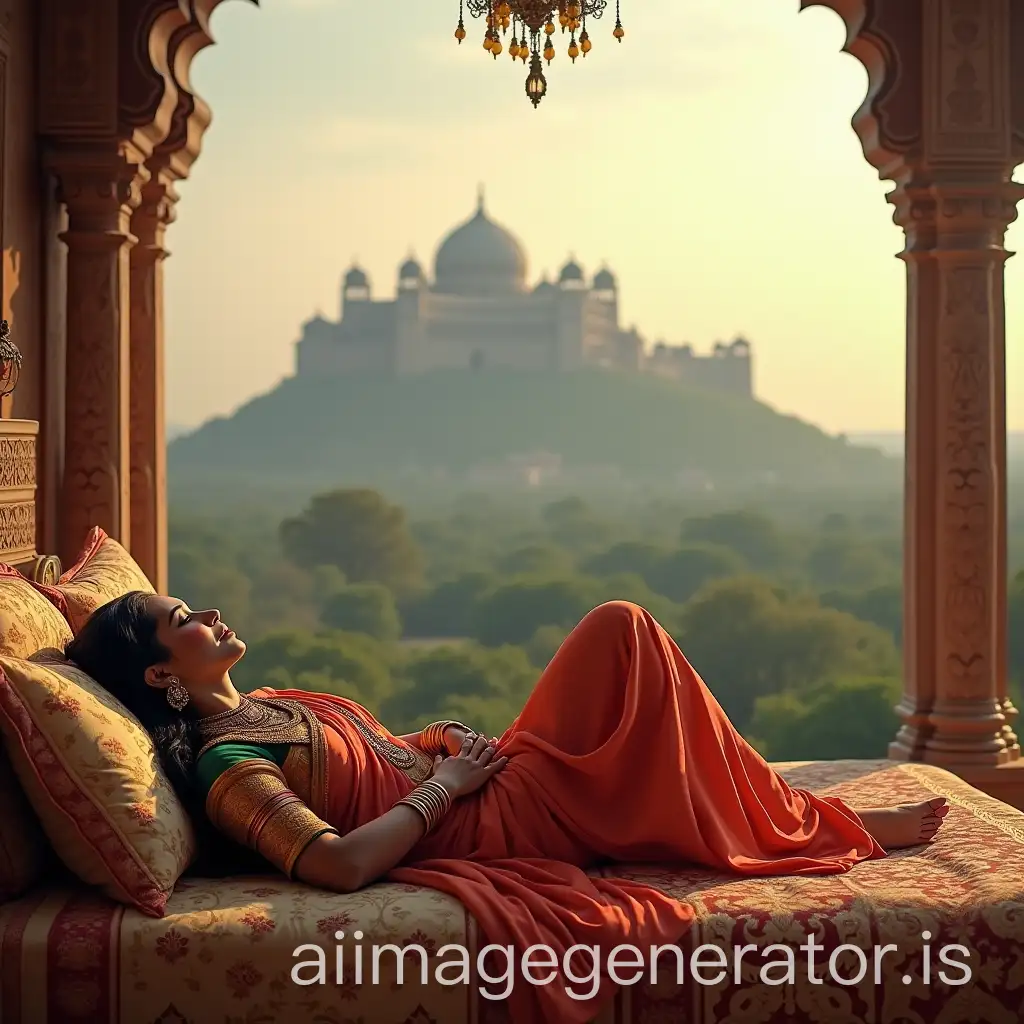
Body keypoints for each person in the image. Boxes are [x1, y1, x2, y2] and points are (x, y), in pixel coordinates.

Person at [66, 593, 947, 1023]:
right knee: (623, 634)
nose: (209, 610)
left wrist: (432, 743)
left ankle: (801, 815)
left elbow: (376, 755)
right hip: (484, 819)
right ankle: (825, 825)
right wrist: (448, 787)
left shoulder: (271, 703)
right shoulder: (230, 764)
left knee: (637, 674)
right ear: (159, 675)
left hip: (478, 784)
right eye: (183, 616)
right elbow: (338, 864)